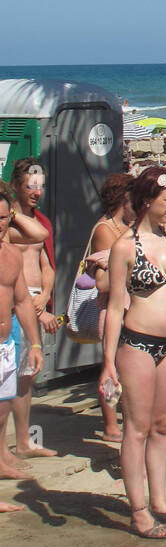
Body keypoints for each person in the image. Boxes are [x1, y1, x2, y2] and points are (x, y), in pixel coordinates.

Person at [100, 167, 166, 538]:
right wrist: (108, 362)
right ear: (148, 200)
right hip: (137, 345)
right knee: (137, 429)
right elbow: (114, 308)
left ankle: (159, 501)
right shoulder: (124, 247)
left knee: (162, 426)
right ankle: (139, 510)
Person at [6, 159, 60, 459]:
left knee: (27, 376)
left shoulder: (42, 221)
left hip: (37, 299)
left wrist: (47, 294)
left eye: (40, 186)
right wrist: (37, 309)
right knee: (10, 375)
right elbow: (10, 271)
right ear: (16, 184)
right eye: (30, 186)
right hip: (17, 303)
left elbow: (47, 264)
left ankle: (24, 439)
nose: (36, 192)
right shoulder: (9, 224)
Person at [0, 181, 45, 506]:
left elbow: (21, 302)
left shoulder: (10, 254)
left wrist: (34, 343)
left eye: (3, 218)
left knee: (2, 411)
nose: (0, 224)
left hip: (5, 344)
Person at [85, 173, 136, 442]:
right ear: (122, 198)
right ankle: (110, 424)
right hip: (111, 306)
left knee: (125, 367)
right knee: (111, 366)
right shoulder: (105, 230)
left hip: (129, 305)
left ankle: (123, 419)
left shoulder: (126, 227)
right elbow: (103, 282)